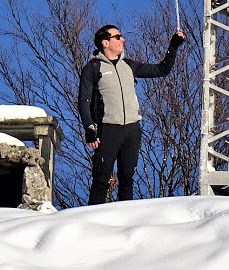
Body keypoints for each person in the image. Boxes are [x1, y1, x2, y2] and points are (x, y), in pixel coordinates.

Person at [77, 23, 186, 205]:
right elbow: (84, 100)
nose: (123, 39)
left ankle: (126, 223)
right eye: (118, 37)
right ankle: (90, 224)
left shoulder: (128, 65)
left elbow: (161, 70)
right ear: (105, 42)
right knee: (101, 179)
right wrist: (89, 128)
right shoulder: (93, 68)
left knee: (127, 179)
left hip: (132, 130)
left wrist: (173, 46)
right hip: (107, 130)